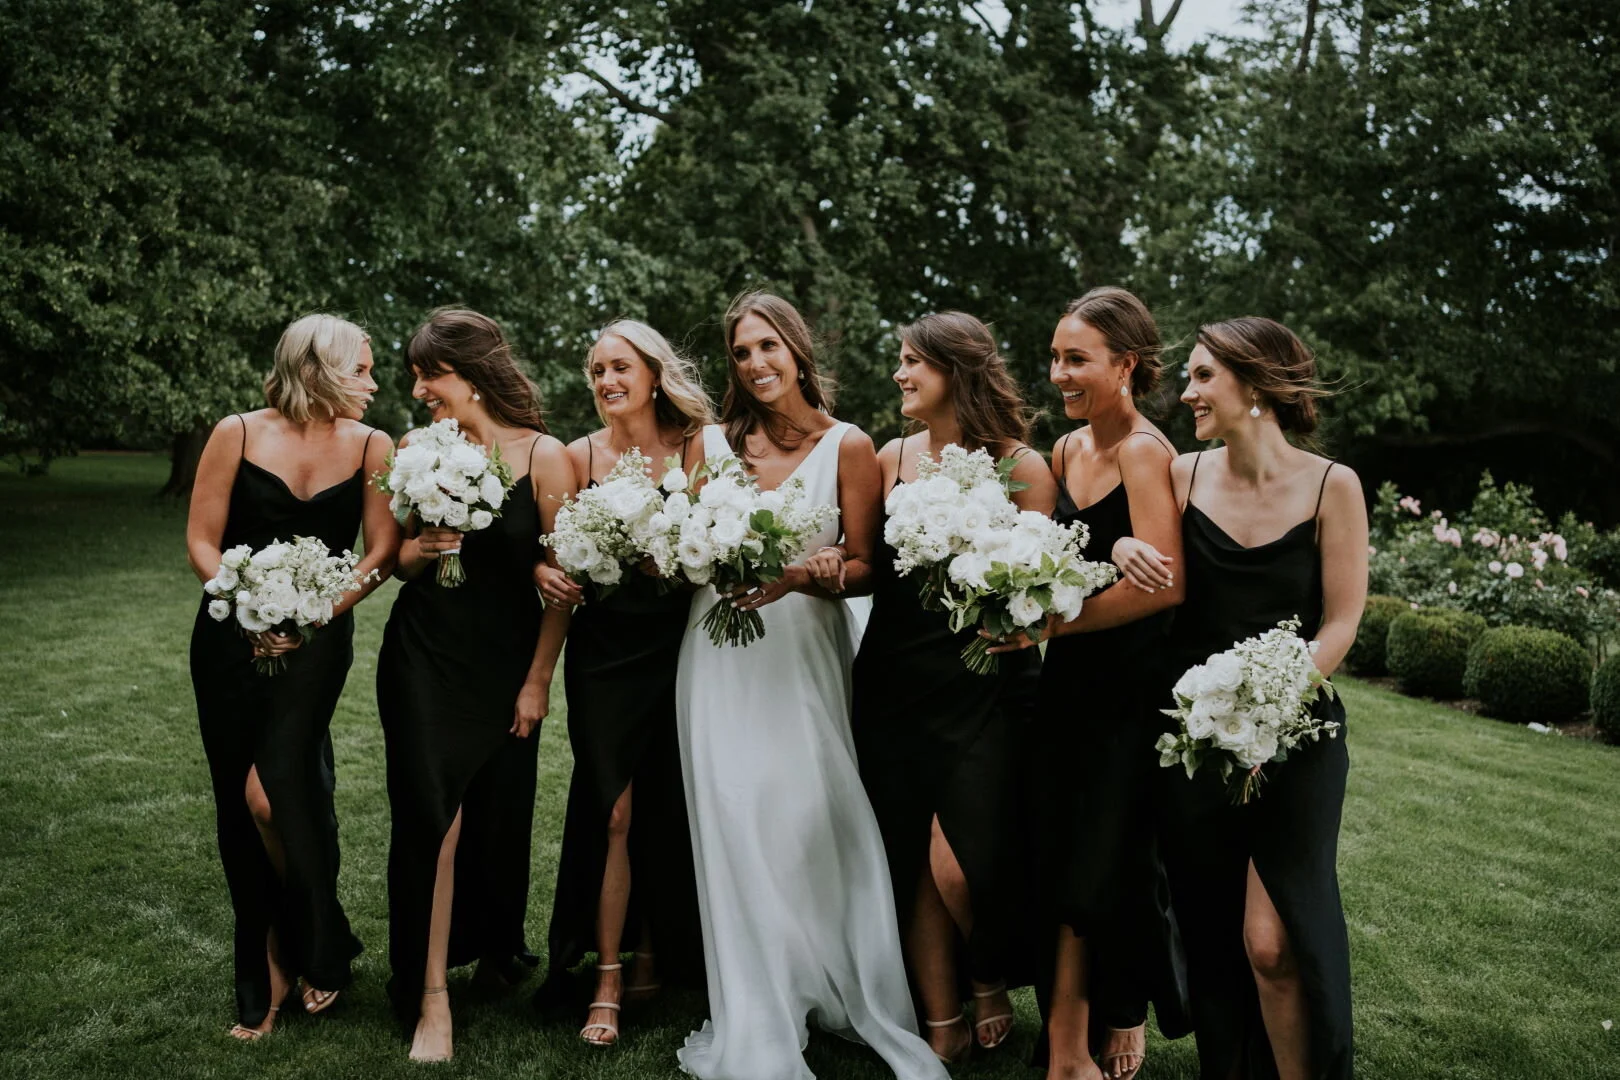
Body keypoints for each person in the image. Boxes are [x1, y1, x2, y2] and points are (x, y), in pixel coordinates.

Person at [673, 290, 948, 1080]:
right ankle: (756, 1001)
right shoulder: (709, 444)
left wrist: (807, 573)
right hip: (717, 654)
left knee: (807, 817)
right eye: (741, 352)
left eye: (767, 346)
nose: (754, 363)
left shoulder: (848, 445)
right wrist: (703, 555)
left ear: (797, 351)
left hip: (803, 656)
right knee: (732, 817)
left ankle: (833, 981)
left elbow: (867, 567)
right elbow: (686, 545)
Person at [1114, 316, 1366, 1080]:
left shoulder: (1332, 485)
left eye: (1202, 376)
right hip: (1196, 735)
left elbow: (1341, 622)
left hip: (1298, 736)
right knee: (1216, 932)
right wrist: (1122, 544)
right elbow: (1134, 553)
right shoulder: (1182, 476)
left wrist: (1270, 705)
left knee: (1273, 940)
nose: (1185, 392)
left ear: (1254, 385)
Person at [991, 288, 1192, 1080]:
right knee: (1059, 854)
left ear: (1126, 365)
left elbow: (1164, 589)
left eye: (1076, 359)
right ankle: (1092, 1022)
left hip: (1130, 690)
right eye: (1054, 357)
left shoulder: (1145, 451)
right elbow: (1072, 561)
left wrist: (1048, 628)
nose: (1058, 374)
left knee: (1099, 862)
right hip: (1067, 686)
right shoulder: (1068, 449)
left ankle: (1082, 1041)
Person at [186, 313, 398, 1040]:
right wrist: (245, 604)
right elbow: (202, 540)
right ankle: (272, 964)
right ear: (318, 367)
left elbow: (380, 553)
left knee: (276, 795)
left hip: (316, 647)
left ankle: (317, 937)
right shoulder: (237, 433)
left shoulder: (372, 444)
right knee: (238, 805)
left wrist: (315, 613)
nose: (373, 384)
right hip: (229, 642)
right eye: (362, 369)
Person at [851, 311, 1054, 1062]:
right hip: (895, 678)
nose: (900, 374)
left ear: (956, 370)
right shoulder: (890, 457)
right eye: (901, 360)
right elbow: (863, 562)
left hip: (986, 680)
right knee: (909, 851)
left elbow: (1040, 581)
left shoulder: (1022, 465)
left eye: (914, 362)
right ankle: (941, 1018)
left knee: (962, 858)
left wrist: (1024, 622)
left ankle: (988, 969)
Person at [375, 308, 575, 1062]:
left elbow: (563, 585)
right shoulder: (414, 449)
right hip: (422, 655)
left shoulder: (546, 456)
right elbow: (398, 562)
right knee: (432, 817)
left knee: (497, 814)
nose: (418, 390)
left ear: (473, 372)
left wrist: (537, 681)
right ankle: (429, 994)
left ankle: (494, 947)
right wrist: (425, 547)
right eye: (415, 376)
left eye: (430, 373)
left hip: (505, 662)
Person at [532, 320, 711, 1045]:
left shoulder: (697, 448)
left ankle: (653, 953)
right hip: (603, 657)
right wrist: (538, 677)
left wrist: (673, 558)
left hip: (682, 650)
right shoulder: (578, 456)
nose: (607, 381)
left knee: (668, 806)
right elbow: (558, 567)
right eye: (597, 370)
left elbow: (718, 551)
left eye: (620, 367)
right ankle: (606, 976)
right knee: (612, 812)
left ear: (654, 374)